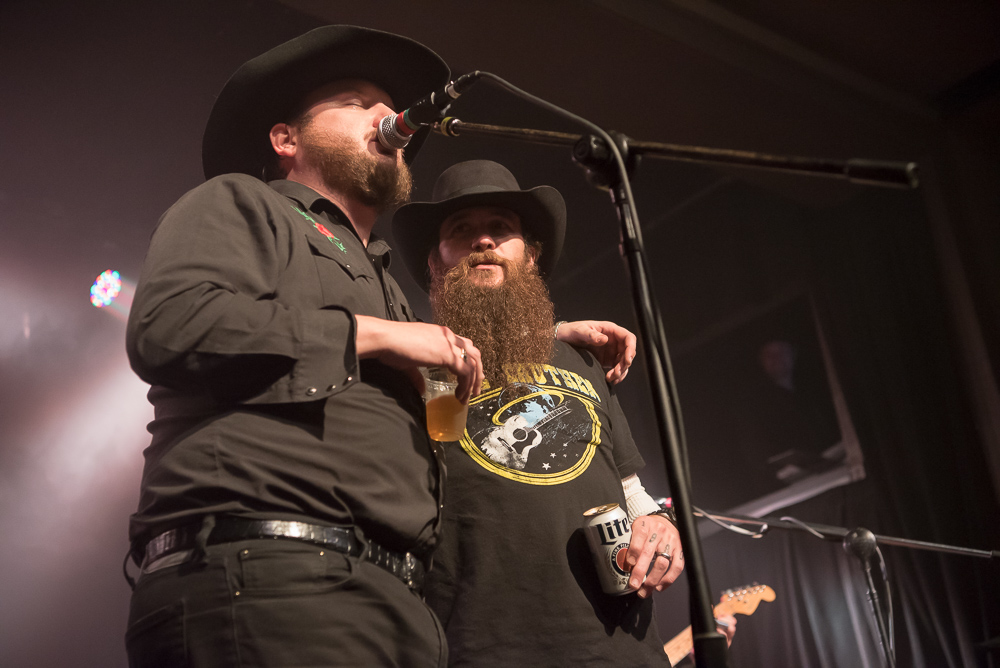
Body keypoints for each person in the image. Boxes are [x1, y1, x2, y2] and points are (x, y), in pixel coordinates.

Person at [123, 27, 633, 667]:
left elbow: (441, 372)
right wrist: (382, 336)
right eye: (356, 101)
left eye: (387, 104)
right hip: (269, 575)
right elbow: (171, 324)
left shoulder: (384, 283)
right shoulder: (243, 204)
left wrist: (542, 336)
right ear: (287, 139)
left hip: (391, 600)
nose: (389, 116)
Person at [391, 160, 684, 666]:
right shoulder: (417, 364)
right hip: (482, 644)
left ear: (530, 258)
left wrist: (660, 525)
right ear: (435, 264)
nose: (483, 241)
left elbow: (630, 489)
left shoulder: (583, 360)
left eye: (501, 229)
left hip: (621, 647)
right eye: (461, 231)